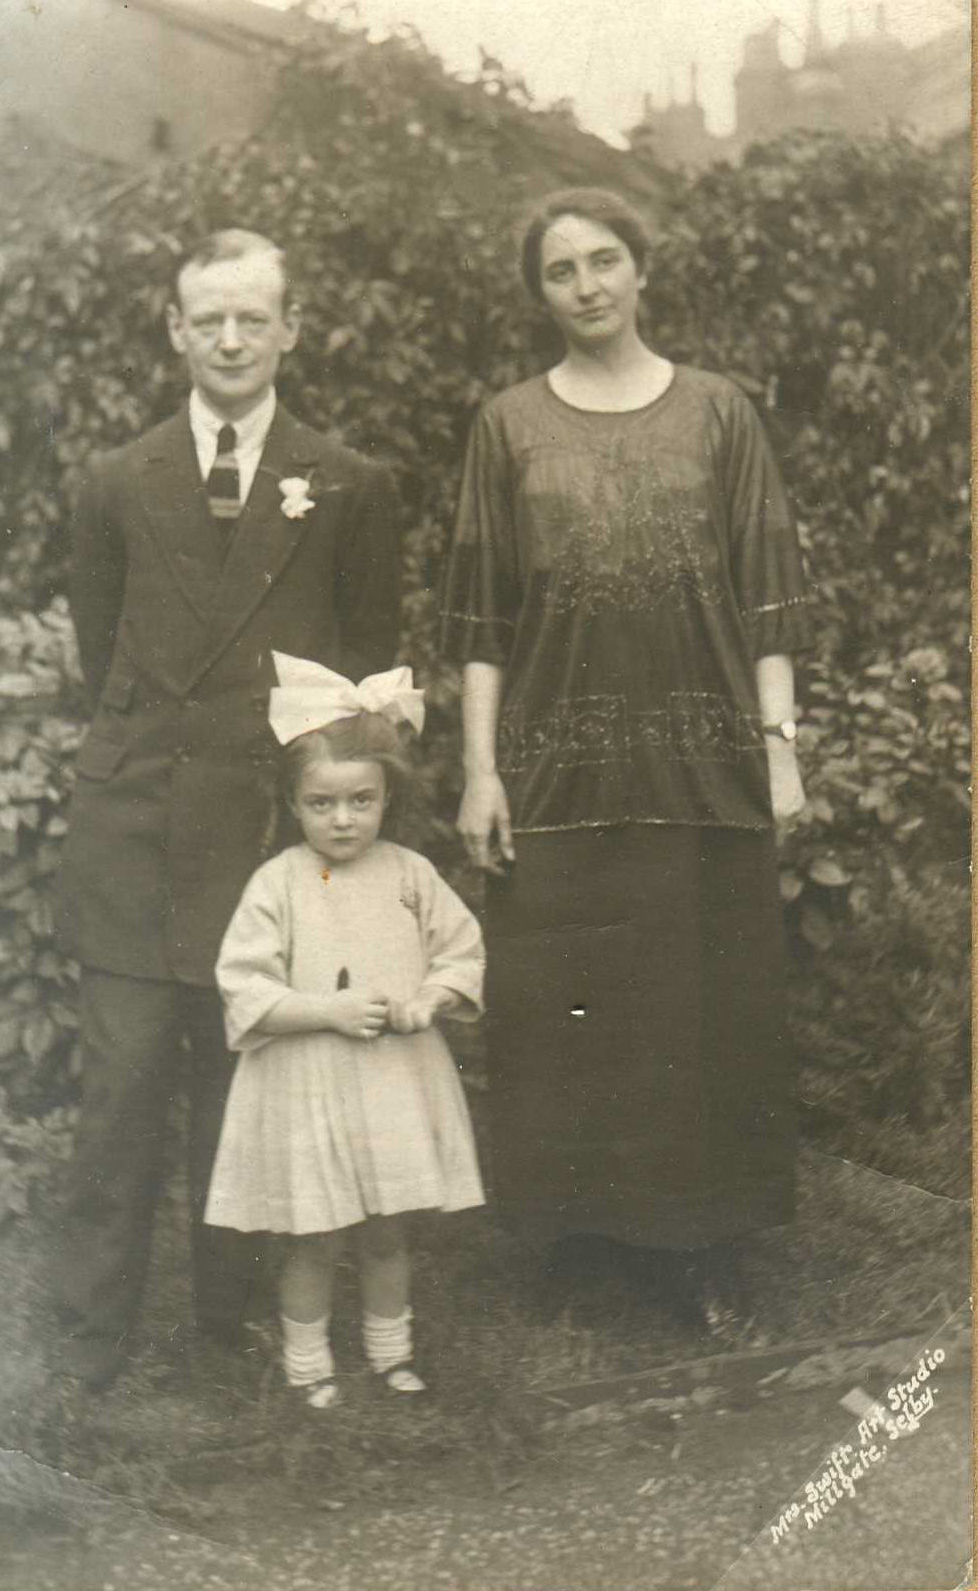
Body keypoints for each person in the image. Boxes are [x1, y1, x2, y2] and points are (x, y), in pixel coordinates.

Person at [440, 188, 812, 1327]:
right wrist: (481, 769)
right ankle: (581, 1246)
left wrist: (779, 749)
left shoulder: (719, 413)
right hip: (557, 770)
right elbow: (479, 620)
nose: (587, 285)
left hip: (704, 761)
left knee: (705, 1008)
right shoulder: (507, 426)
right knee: (569, 1008)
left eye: (604, 260)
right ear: (539, 293)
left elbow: (769, 599)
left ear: (641, 270)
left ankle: (705, 1250)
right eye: (561, 270)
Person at [54, 230, 402, 1388]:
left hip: (261, 827)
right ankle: (89, 1336)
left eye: (254, 317)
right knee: (121, 1084)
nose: (232, 339)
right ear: (176, 330)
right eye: (209, 319)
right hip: (137, 822)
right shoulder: (115, 480)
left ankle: (226, 1322)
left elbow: (360, 674)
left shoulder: (347, 483)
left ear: (291, 329)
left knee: (240, 1075)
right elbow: (103, 649)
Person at [204, 655, 485, 1407]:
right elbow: (243, 983)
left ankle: (391, 1354)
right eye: (321, 803)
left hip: (391, 1082)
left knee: (388, 1227)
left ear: (387, 797)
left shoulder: (410, 874)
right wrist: (325, 1010)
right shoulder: (279, 883)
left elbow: (461, 949)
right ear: (294, 803)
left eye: (361, 801)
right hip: (308, 1086)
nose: (343, 819)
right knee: (313, 1234)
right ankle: (308, 1366)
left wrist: (430, 997)